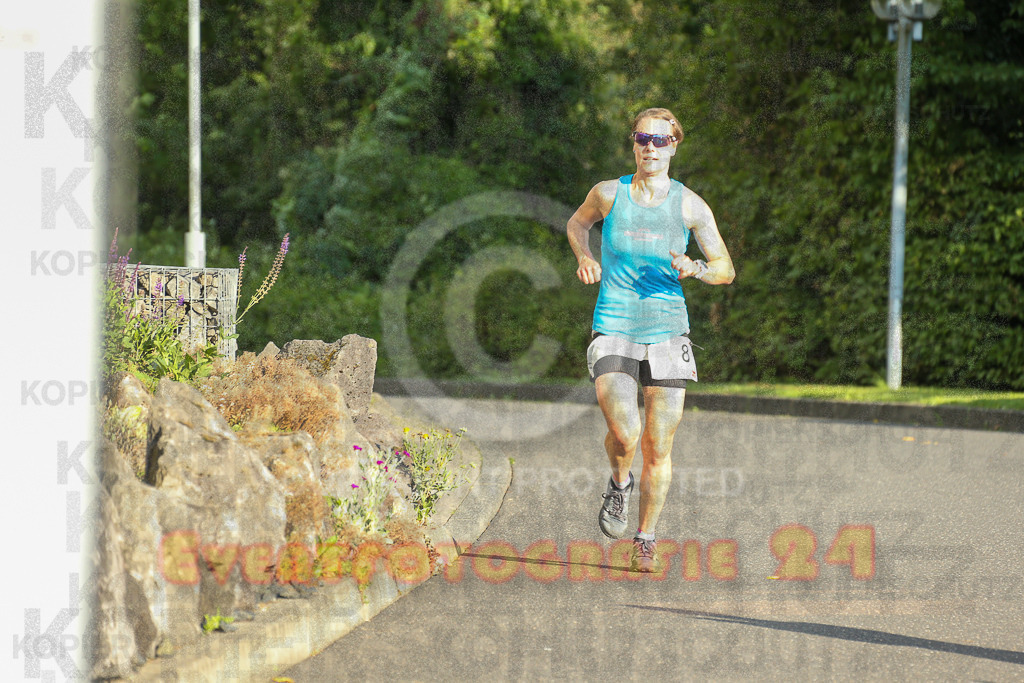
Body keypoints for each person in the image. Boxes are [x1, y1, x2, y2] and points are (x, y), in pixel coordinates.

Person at [566, 107, 735, 572]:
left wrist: (696, 267)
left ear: (674, 146)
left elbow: (726, 269)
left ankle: (646, 538)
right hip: (615, 323)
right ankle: (619, 483)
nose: (650, 147)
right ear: (634, 143)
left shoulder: (690, 206)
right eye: (643, 138)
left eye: (660, 140)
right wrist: (584, 256)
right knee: (625, 431)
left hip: (667, 328)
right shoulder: (608, 194)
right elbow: (577, 224)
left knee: (658, 445)